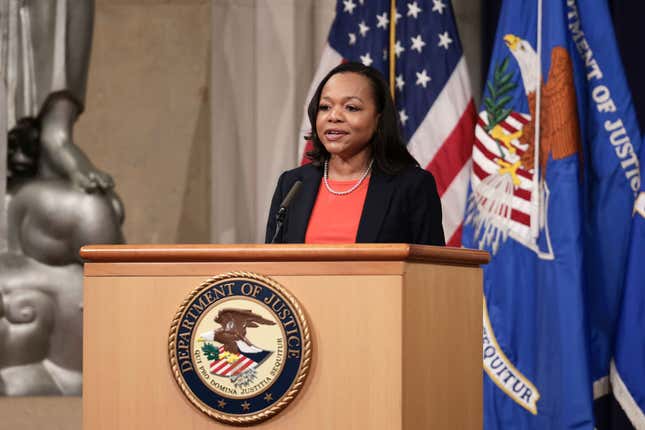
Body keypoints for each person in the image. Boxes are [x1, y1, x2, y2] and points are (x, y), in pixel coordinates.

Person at [266, 62, 445, 245]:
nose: (333, 116)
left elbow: (432, 270)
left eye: (351, 108)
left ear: (378, 119)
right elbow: (271, 265)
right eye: (325, 107)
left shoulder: (412, 186)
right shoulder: (292, 185)